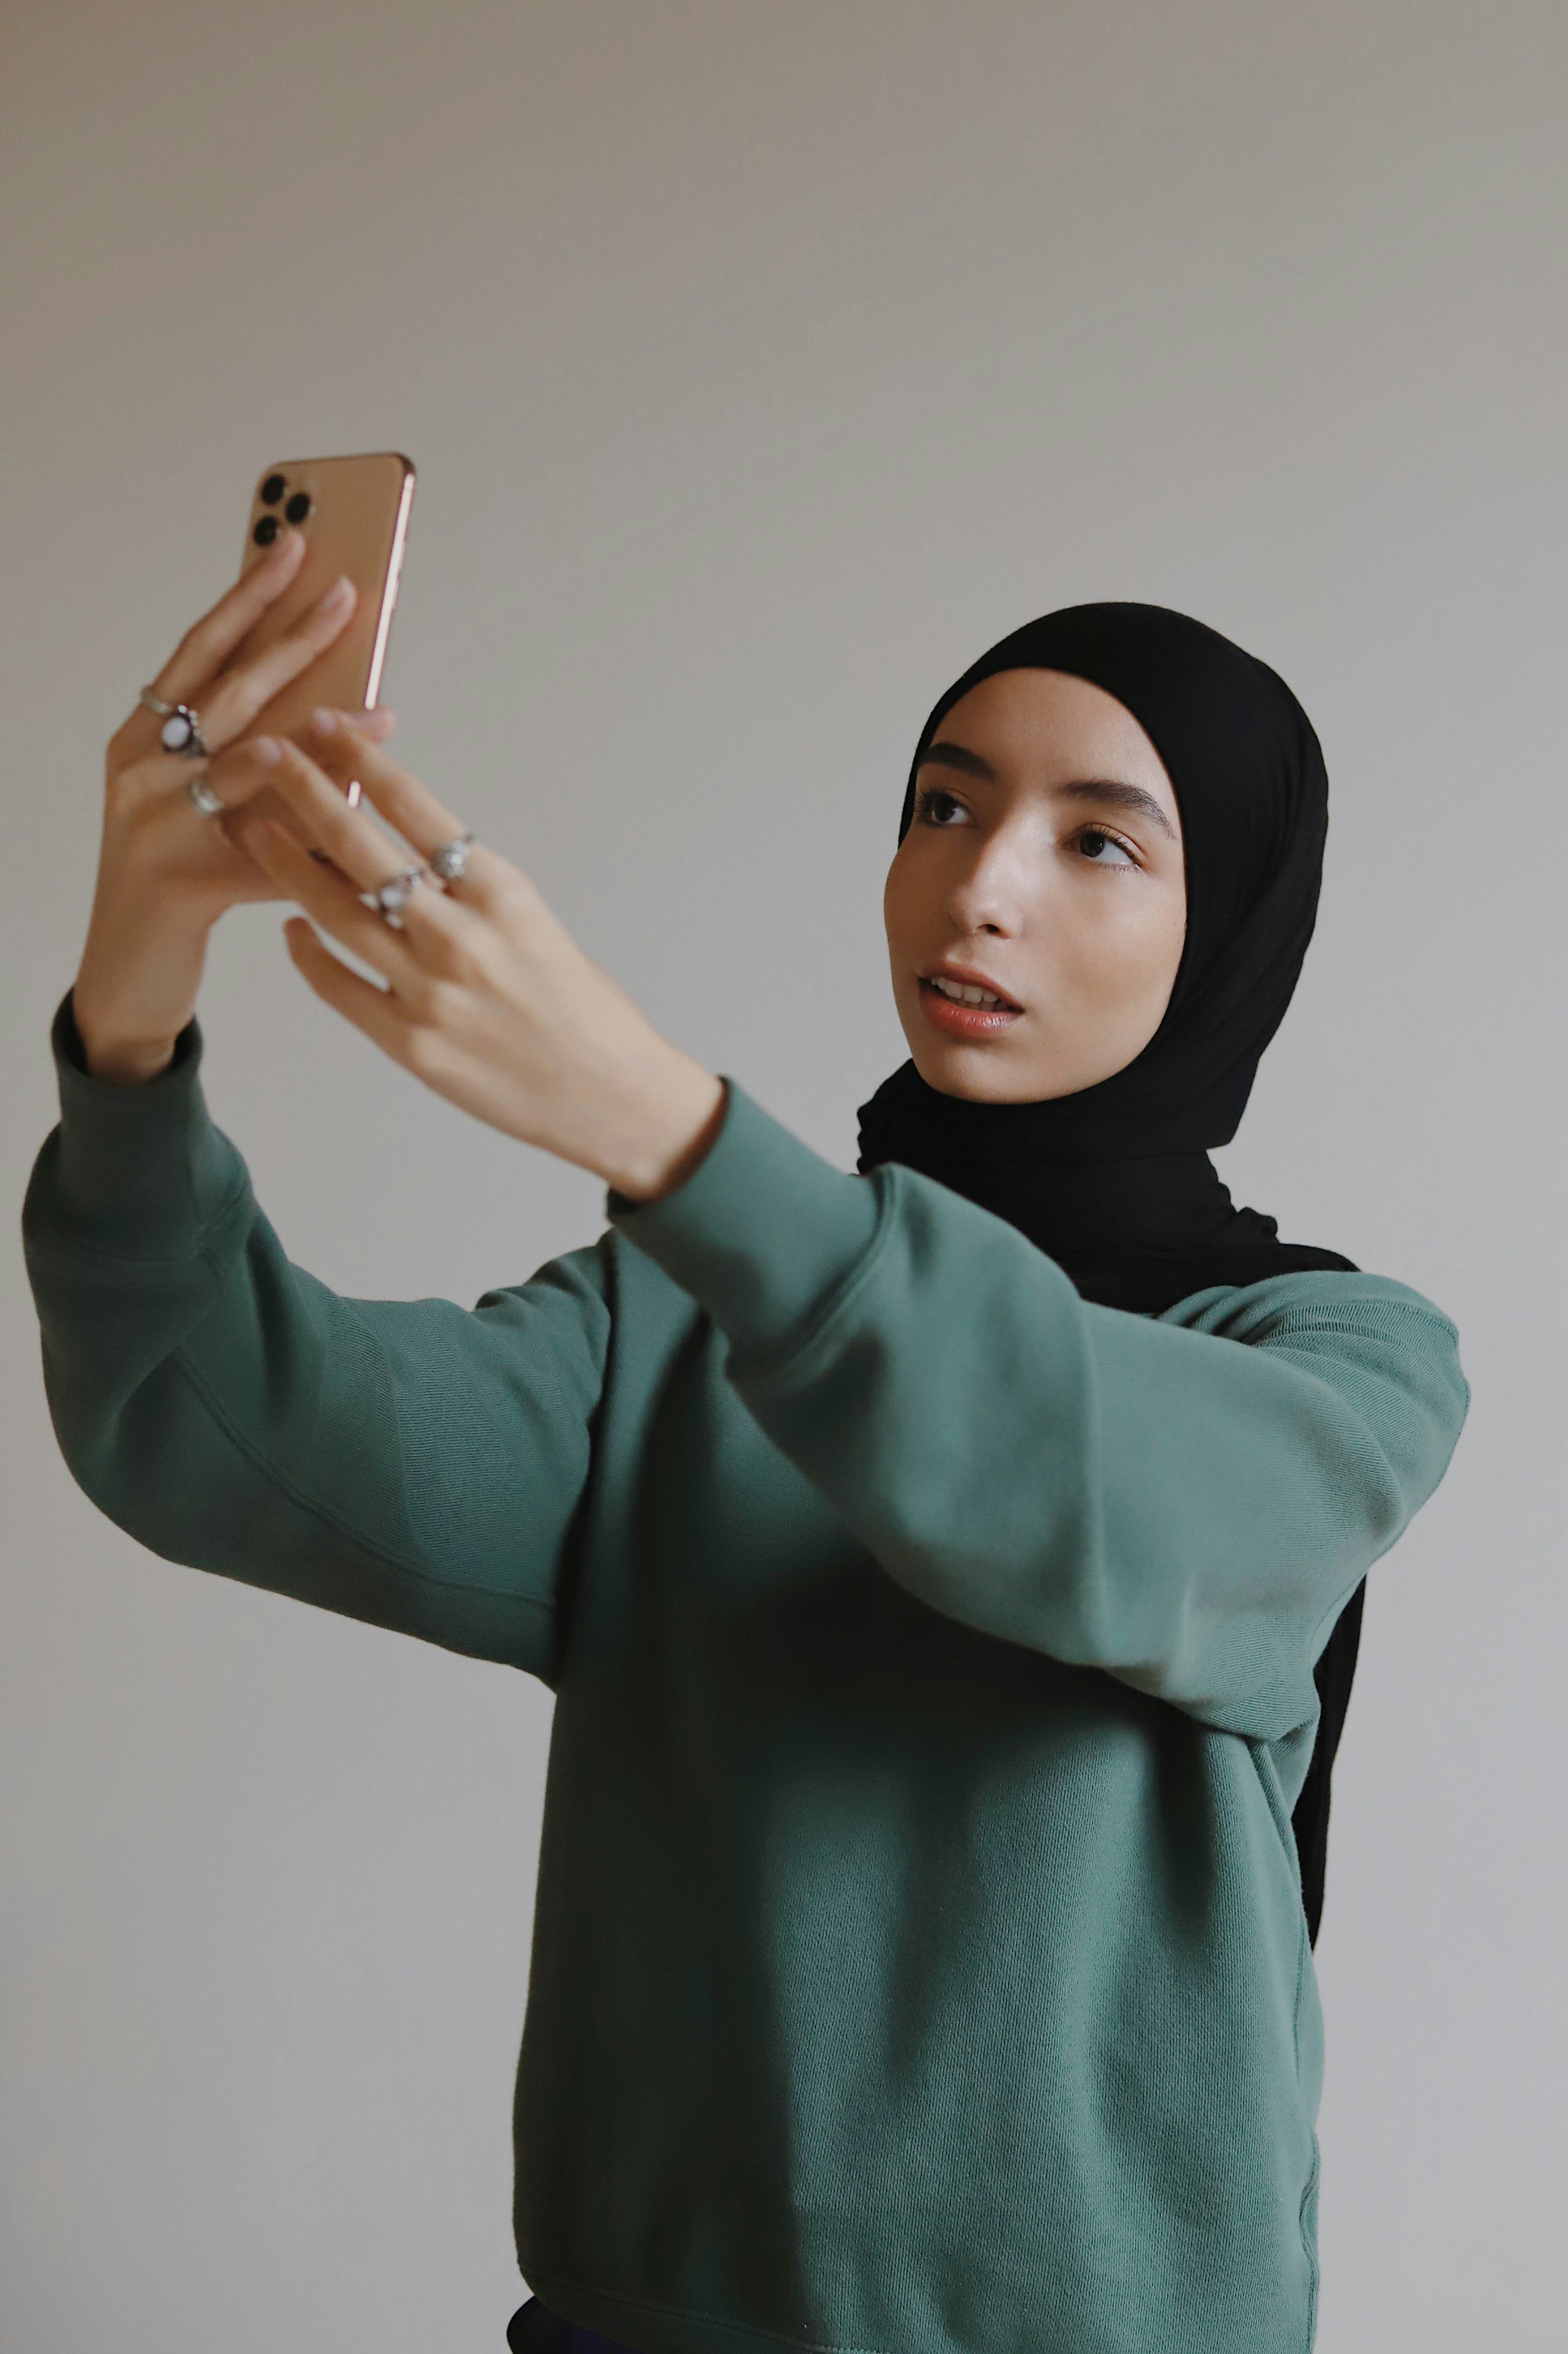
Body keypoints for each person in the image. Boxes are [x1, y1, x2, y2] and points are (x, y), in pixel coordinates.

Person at [23, 535, 1470, 2354]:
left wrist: (667, 1125)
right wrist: (135, 987)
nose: (983, 888)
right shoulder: (670, 1320)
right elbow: (210, 1416)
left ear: (1235, 920)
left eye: (1099, 837)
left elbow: (1066, 1487)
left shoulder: (1328, 1356)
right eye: (945, 804)